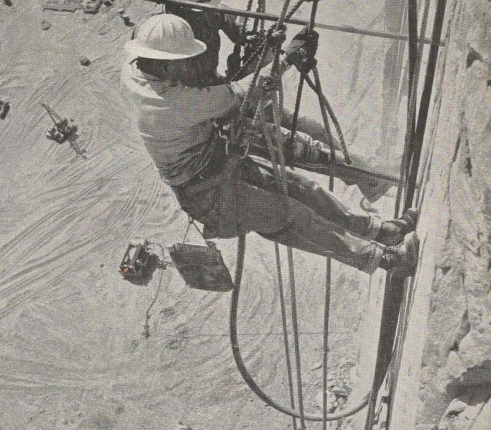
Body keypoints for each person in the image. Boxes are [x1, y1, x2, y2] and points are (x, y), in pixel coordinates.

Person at [120, 14, 419, 276]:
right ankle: (389, 261)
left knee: (301, 188)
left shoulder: (134, 70)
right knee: (291, 216)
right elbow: (240, 93)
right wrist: (285, 58)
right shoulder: (170, 103)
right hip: (209, 193)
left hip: (218, 163)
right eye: (184, 61)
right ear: (165, 66)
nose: (189, 66)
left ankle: (382, 231)